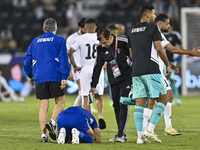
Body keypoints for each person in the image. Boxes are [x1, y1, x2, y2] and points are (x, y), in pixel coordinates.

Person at [143, 14, 200, 136]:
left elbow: (156, 52)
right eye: (167, 24)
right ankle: (154, 129)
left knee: (153, 99)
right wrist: (191, 52)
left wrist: (168, 64)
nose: (169, 26)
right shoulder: (156, 33)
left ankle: (147, 129)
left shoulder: (146, 33)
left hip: (146, 70)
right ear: (160, 24)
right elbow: (172, 49)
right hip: (155, 71)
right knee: (166, 96)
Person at [127, 4, 172, 144]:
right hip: (151, 70)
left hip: (136, 71)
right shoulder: (153, 28)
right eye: (153, 14)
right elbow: (159, 49)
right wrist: (167, 65)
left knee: (140, 102)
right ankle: (150, 129)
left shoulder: (131, 30)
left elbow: (131, 54)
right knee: (163, 100)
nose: (155, 16)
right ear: (147, 15)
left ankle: (140, 137)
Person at [24, 18, 70, 142]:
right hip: (54, 74)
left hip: (40, 76)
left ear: (43, 29)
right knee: (60, 102)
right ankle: (52, 122)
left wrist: (31, 76)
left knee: (43, 106)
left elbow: (27, 61)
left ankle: (43, 136)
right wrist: (64, 76)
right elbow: (64, 59)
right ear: (56, 28)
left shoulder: (35, 41)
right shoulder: (60, 39)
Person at [90, 28, 132, 142]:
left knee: (123, 103)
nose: (103, 45)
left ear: (110, 38)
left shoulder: (123, 42)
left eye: (104, 42)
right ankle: (121, 134)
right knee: (116, 105)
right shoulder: (100, 49)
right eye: (101, 43)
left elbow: (134, 57)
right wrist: (93, 85)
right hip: (113, 79)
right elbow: (98, 67)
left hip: (127, 78)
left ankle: (120, 134)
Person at [68, 18, 106, 129]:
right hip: (98, 69)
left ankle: (89, 121)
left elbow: (70, 52)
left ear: (85, 28)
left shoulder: (80, 39)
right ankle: (100, 115)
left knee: (86, 96)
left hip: (85, 70)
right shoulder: (100, 38)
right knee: (99, 96)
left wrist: (75, 66)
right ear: (95, 28)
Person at [66, 18, 86, 107]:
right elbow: (67, 55)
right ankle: (76, 110)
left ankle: (76, 109)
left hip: (88, 67)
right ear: (80, 27)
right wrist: (69, 71)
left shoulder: (90, 37)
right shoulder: (71, 39)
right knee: (83, 91)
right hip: (77, 68)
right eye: (85, 28)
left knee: (84, 92)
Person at [164, 21, 183, 105]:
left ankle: (177, 99)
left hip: (172, 61)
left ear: (171, 26)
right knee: (163, 79)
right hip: (162, 61)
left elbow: (181, 48)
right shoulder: (161, 35)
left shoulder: (176, 35)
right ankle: (162, 98)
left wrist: (180, 61)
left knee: (171, 79)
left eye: (168, 25)